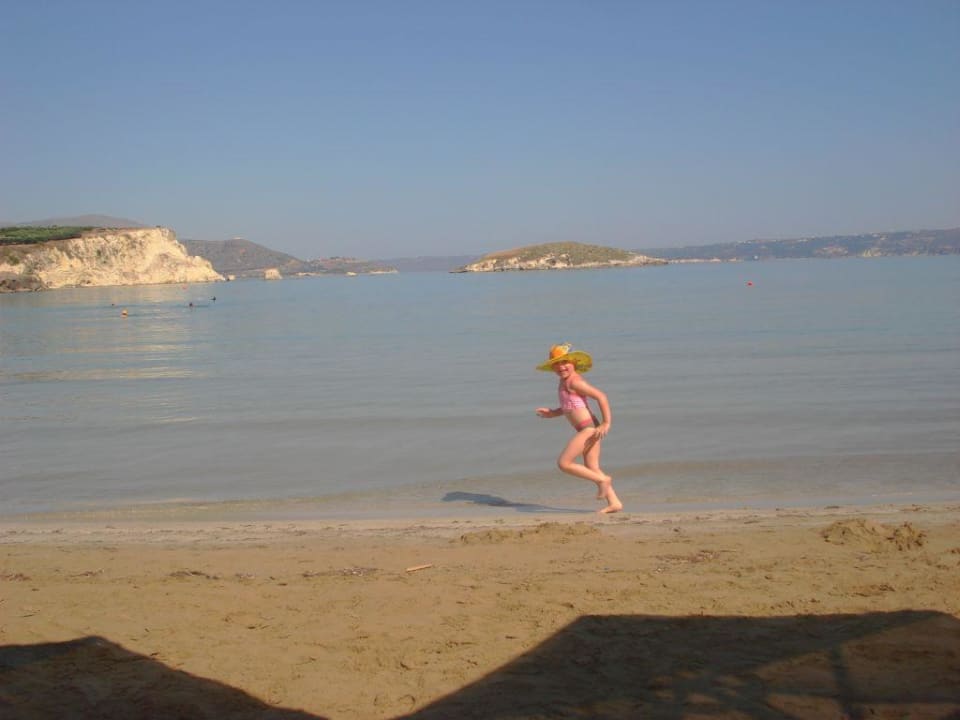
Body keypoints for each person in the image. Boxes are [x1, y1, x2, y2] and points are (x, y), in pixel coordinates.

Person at [536, 344, 623, 514]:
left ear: (574, 362)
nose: (561, 367)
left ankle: (603, 480)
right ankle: (614, 502)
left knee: (564, 463)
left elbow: (601, 396)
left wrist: (607, 423)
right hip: (589, 428)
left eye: (565, 362)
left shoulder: (575, 381)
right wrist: (553, 413)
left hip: (589, 429)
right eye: (557, 364)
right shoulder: (564, 382)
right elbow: (570, 406)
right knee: (592, 466)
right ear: (552, 367)